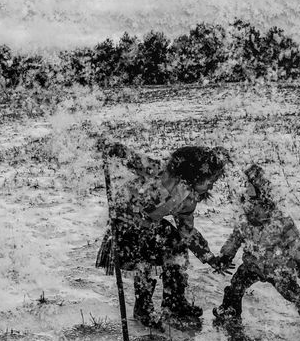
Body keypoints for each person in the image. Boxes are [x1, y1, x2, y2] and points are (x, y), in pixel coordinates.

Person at [97, 139, 230, 330]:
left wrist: (209, 257)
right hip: (125, 221)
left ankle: (173, 302)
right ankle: (143, 308)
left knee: (176, 244)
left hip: (149, 224)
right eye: (210, 180)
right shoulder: (162, 173)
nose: (211, 185)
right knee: (145, 259)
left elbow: (187, 231)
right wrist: (116, 150)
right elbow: (135, 160)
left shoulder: (189, 200)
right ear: (197, 173)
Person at [212, 164, 300, 341]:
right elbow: (235, 238)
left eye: (248, 184)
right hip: (252, 265)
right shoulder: (245, 218)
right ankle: (230, 313)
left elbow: (294, 241)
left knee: (294, 295)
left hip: (278, 268)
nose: (245, 188)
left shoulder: (279, 219)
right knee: (236, 286)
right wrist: (226, 256)